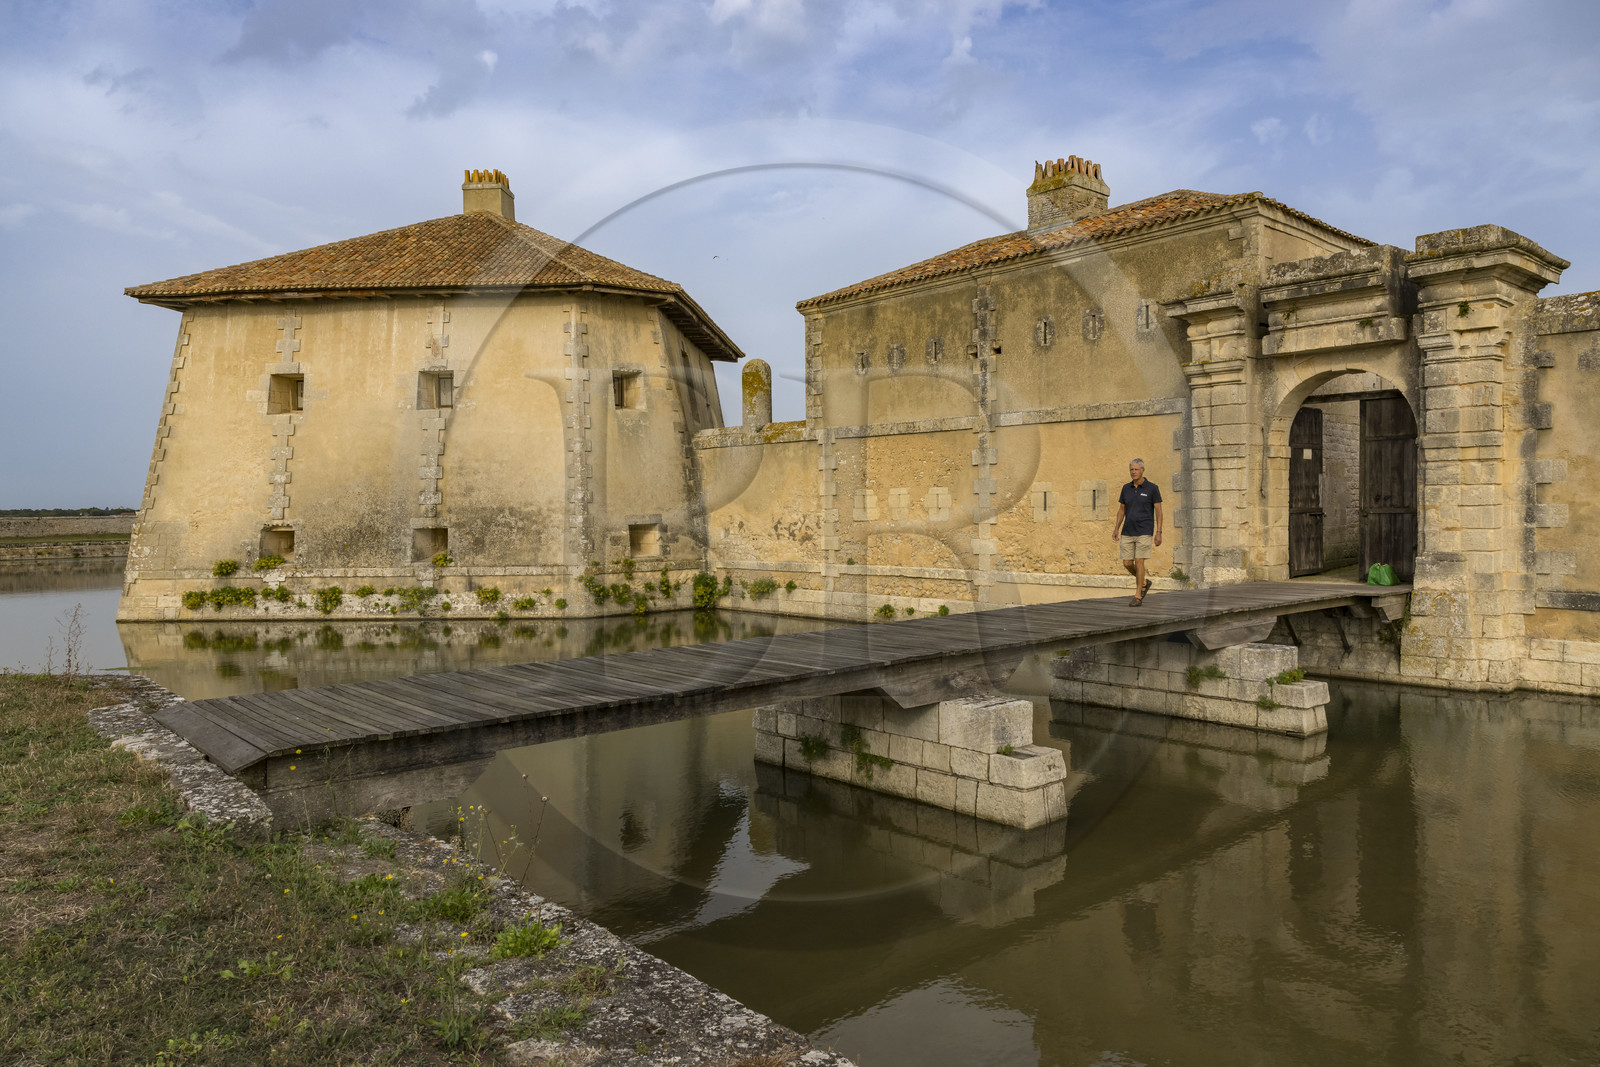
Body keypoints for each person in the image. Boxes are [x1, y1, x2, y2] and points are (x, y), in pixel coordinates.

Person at [1111, 458, 1163, 606]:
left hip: (1144, 530)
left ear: (1142, 470)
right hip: (1127, 530)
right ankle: (1144, 582)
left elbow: (1159, 511)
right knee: (1127, 563)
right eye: (1131, 470)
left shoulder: (1152, 488)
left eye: (1136, 470)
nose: (1133, 472)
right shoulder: (1126, 488)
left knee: (1139, 561)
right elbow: (1122, 510)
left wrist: (1159, 531)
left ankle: (1138, 595)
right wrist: (1116, 528)